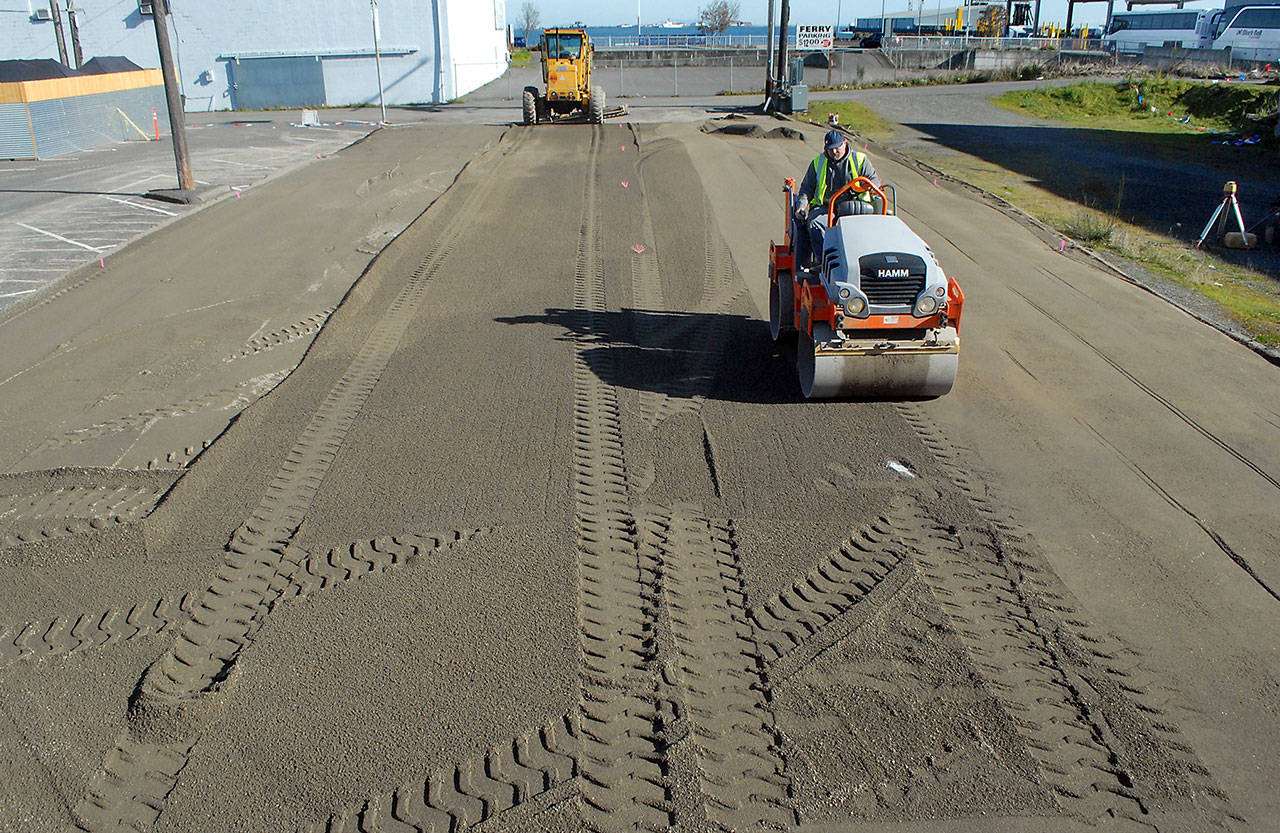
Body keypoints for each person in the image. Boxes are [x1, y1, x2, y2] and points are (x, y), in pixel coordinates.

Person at [793, 129, 881, 270]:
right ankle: (826, 264)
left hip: (855, 207)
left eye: (837, 148)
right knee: (815, 225)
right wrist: (801, 206)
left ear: (844, 144)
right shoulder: (818, 163)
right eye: (830, 149)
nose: (834, 152)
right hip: (827, 208)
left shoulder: (860, 160)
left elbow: (875, 181)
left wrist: (868, 186)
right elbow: (806, 189)